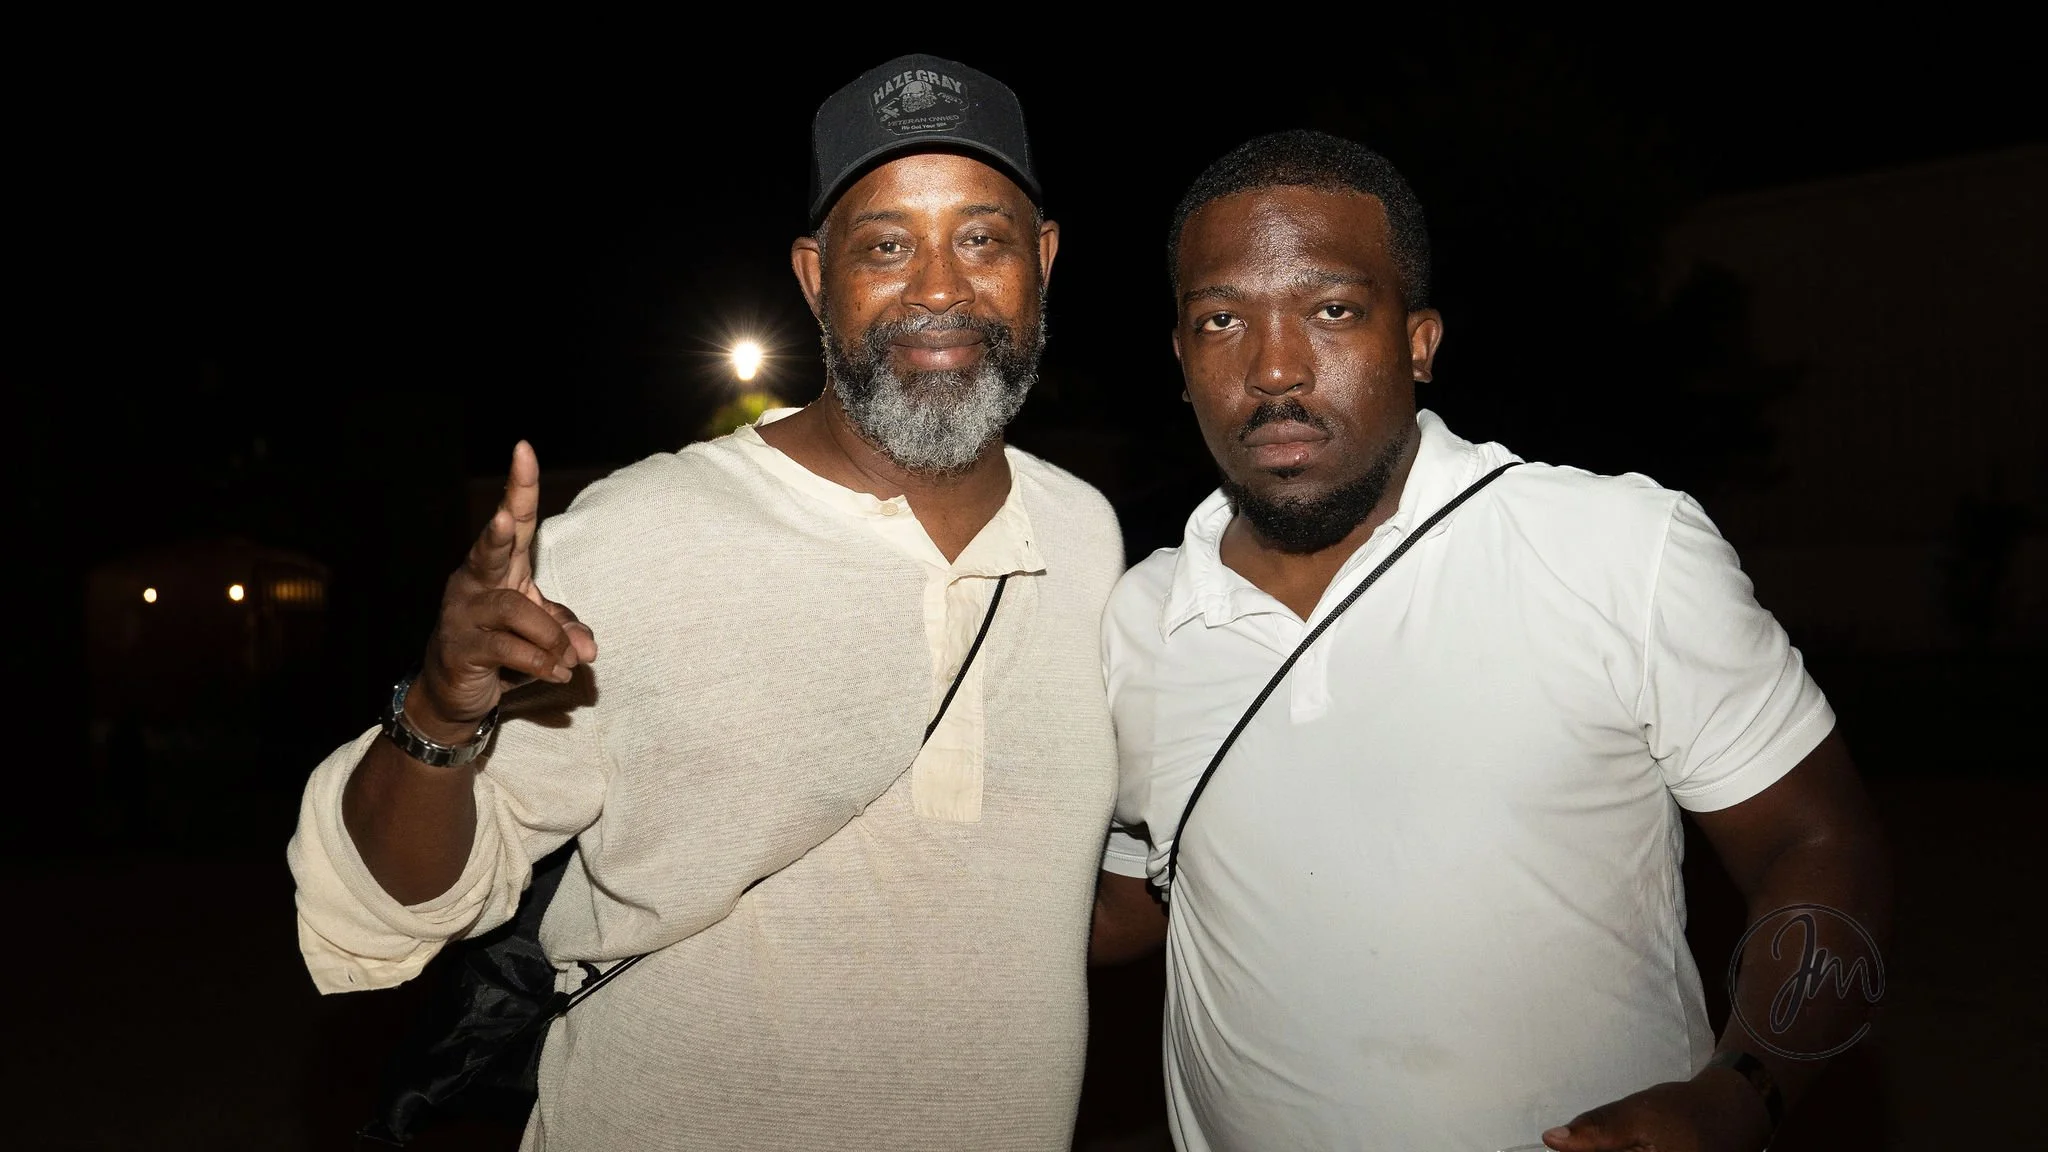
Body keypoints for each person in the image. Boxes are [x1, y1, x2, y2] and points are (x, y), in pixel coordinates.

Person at [288, 53, 1127, 1151]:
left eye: (981, 239)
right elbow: (389, 904)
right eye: (886, 246)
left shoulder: (1088, 538)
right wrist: (442, 711)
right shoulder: (633, 538)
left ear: (1042, 260)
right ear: (814, 277)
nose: (938, 288)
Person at [1089, 129, 1893, 1152]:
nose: (1274, 368)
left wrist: (1743, 1091)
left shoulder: (1617, 549)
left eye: (1332, 310)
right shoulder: (1138, 618)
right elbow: (1137, 900)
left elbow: (1818, 843)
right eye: (1221, 320)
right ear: (1180, 359)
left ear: (1417, 343)